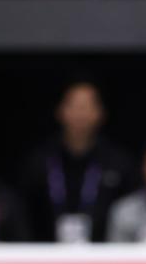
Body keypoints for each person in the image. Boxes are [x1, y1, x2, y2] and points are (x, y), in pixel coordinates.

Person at [22, 81, 136, 243]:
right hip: (46, 254)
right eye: (74, 106)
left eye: (86, 106)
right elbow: (26, 214)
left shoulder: (119, 163)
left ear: (100, 113)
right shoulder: (39, 162)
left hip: (103, 254)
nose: (80, 113)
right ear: (60, 111)